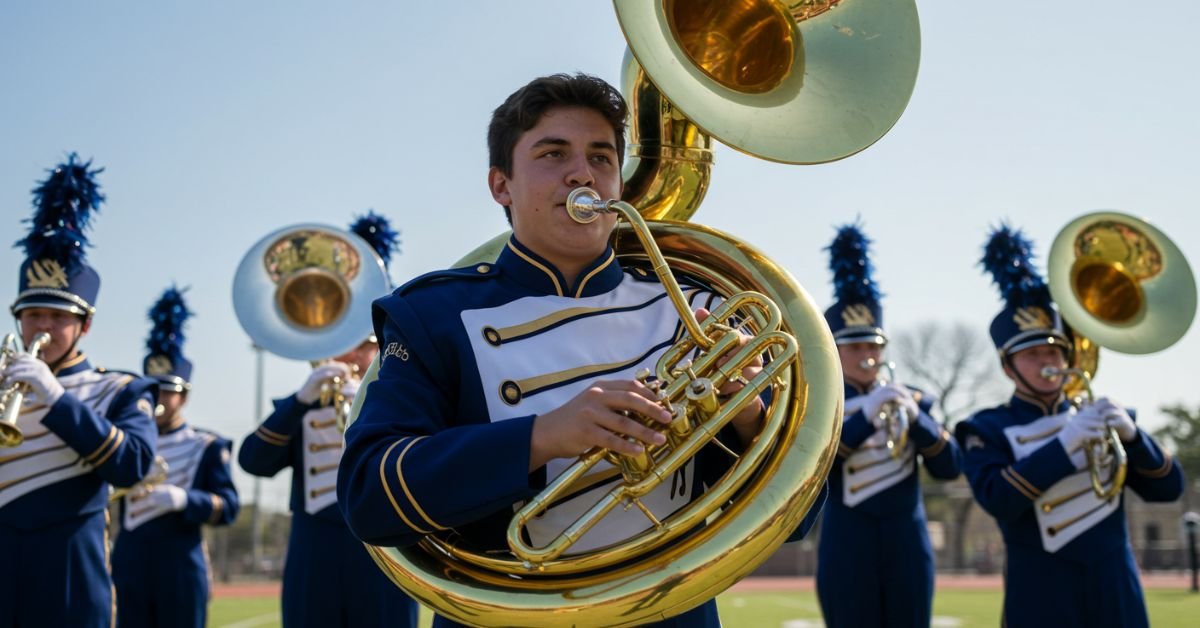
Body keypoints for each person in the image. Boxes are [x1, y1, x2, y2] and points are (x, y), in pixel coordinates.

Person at [338, 72, 824, 628]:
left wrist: (747, 416)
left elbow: (798, 509)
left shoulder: (699, 310)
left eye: (601, 156)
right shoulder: (434, 315)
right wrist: (543, 436)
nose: (581, 173)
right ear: (501, 185)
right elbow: (368, 495)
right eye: (552, 154)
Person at [954, 225, 1185, 627]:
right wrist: (1067, 444)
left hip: (1115, 585)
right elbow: (999, 500)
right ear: (1008, 367)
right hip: (1041, 590)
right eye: (1031, 355)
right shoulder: (984, 428)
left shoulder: (1101, 414)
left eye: (1054, 351)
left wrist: (1134, 437)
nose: (1047, 362)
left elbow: (1169, 488)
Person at [238, 212, 416, 628]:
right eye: (343, 344)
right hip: (312, 546)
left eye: (365, 345)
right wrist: (299, 402)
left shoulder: (407, 404)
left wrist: (373, 408)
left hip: (384, 546)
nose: (352, 356)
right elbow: (254, 461)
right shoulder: (300, 406)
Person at [0, 154, 157, 628]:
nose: (43, 326)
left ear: (85, 324)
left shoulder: (118, 389)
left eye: (59, 317)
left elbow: (133, 464)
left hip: (69, 570)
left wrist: (55, 397)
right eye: (32, 315)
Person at [814, 223, 962, 628]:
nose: (867, 356)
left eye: (874, 346)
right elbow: (820, 464)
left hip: (907, 541)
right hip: (847, 539)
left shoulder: (913, 397)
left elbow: (950, 467)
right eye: (855, 347)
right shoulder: (819, 405)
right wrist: (864, 415)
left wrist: (919, 422)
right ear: (834, 348)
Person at [111, 287, 239, 628]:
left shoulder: (206, 445)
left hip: (180, 563)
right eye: (154, 390)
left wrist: (183, 499)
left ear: (184, 396)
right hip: (130, 563)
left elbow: (228, 507)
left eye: (169, 391)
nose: (160, 400)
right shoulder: (125, 440)